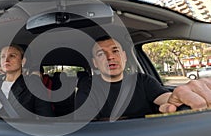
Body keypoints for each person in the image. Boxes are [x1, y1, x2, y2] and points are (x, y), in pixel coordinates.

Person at [75, 36, 211, 120]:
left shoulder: (142, 80)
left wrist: (182, 94)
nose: (110, 57)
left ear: (124, 56)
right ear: (95, 63)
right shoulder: (87, 86)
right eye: (101, 54)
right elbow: (88, 125)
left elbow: (166, 97)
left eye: (115, 51)